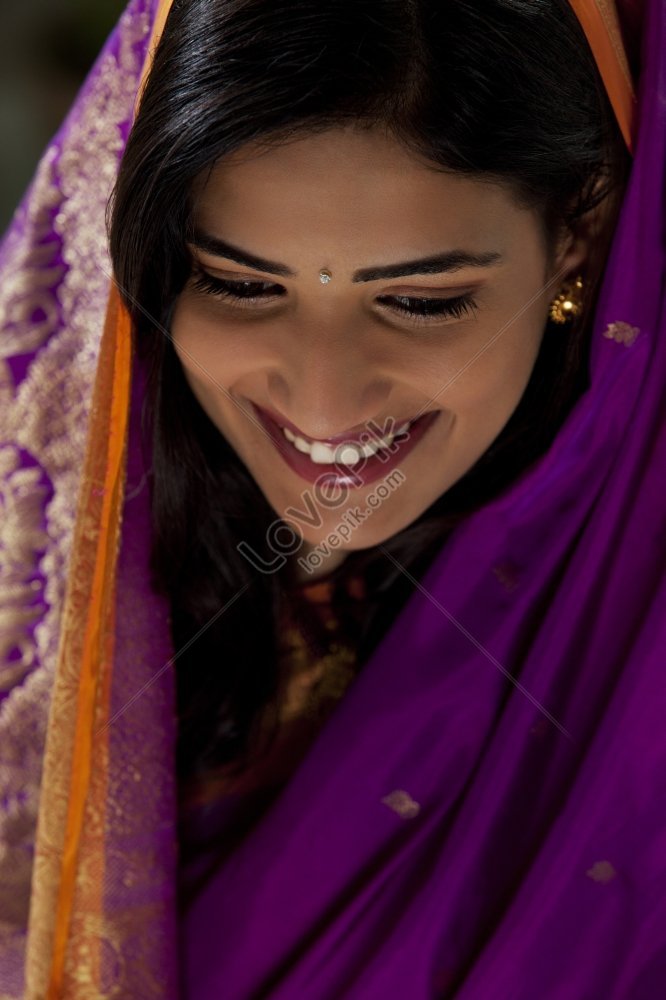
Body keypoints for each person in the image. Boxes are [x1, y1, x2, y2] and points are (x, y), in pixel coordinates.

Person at [0, 0, 663, 995]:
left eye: (420, 301)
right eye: (241, 285)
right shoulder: (43, 601)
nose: (322, 399)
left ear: (581, 230)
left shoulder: (628, 631)